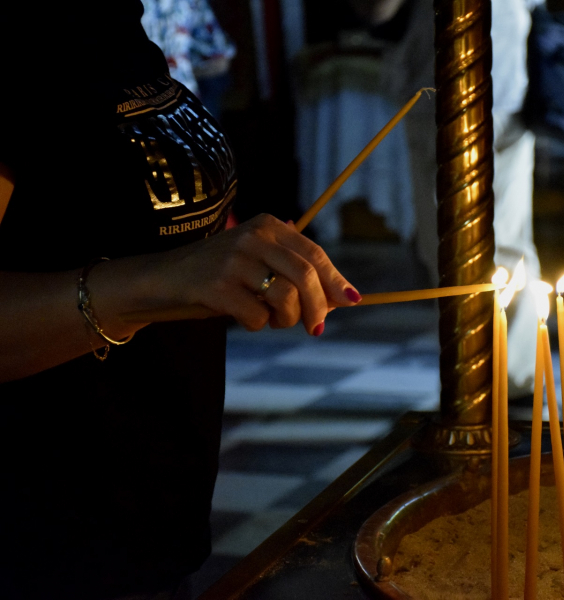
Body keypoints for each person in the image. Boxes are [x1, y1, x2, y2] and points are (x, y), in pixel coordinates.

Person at [0, 4, 359, 598]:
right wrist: (162, 283)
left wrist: (233, 264)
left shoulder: (114, 22)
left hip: (152, 522)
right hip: (42, 535)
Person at [368, 0, 544, 396]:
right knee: (477, 241)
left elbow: (378, 9)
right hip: (476, 78)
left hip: (474, 81)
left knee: (473, 244)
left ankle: (499, 386)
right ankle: (491, 380)